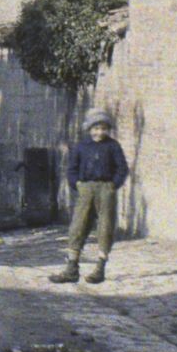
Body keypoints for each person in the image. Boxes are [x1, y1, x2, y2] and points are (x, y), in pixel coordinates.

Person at [50, 108, 129, 285]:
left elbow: (122, 168)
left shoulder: (113, 146)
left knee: (105, 226)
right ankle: (72, 268)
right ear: (89, 128)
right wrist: (77, 184)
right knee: (78, 226)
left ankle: (100, 268)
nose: (99, 132)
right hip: (85, 189)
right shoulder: (81, 146)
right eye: (96, 128)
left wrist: (113, 185)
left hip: (106, 189)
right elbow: (72, 169)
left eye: (103, 128)